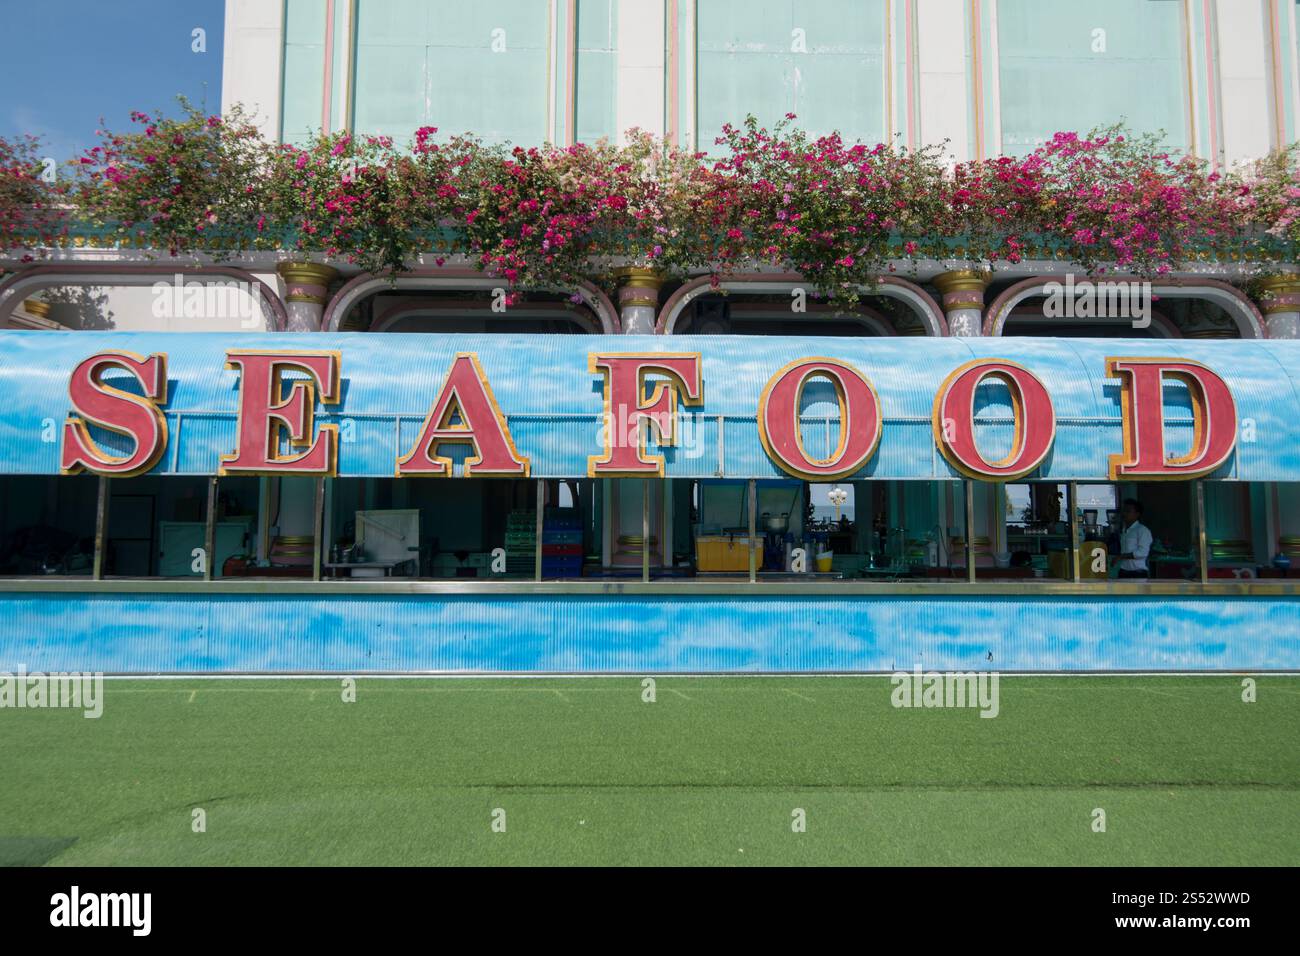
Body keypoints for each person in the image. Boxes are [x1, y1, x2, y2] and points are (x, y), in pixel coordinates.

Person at [1116, 498, 1152, 579]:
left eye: (1128, 511)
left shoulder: (1142, 530)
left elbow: (1142, 552)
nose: (1124, 513)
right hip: (1123, 572)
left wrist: (1121, 556)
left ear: (1137, 514)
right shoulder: (1124, 530)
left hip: (1137, 573)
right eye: (1124, 510)